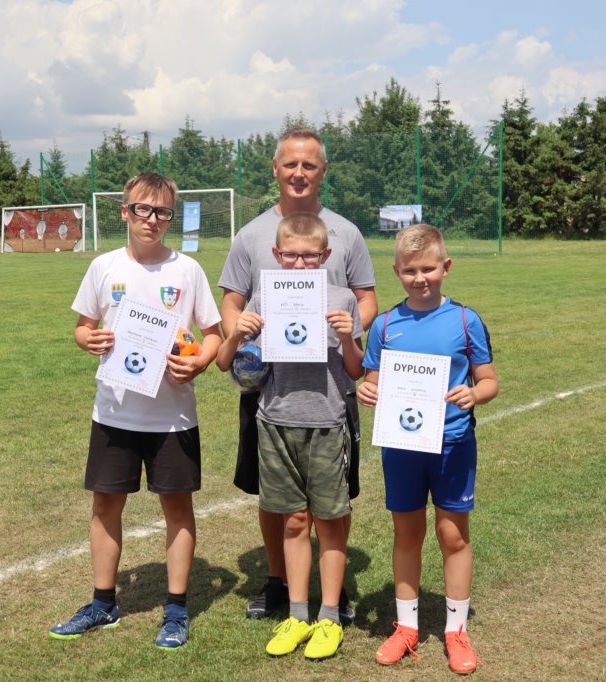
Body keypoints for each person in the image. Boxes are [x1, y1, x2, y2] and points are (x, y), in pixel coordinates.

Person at [50, 172, 222, 650]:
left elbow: (212, 333)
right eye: (142, 209)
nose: (152, 219)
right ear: (125, 212)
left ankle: (176, 610)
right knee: (105, 506)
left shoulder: (187, 270)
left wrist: (200, 362)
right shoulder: (104, 266)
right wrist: (89, 339)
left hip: (172, 417)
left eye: (162, 211)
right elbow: (82, 327)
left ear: (171, 217)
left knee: (177, 509)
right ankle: (103, 603)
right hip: (114, 413)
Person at [218, 125, 377, 622]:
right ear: (276, 168)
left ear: (323, 170)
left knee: (331, 498)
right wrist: (244, 342)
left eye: (309, 164)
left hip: (329, 389)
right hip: (272, 385)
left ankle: (332, 592)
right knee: (276, 495)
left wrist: (342, 331)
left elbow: (366, 299)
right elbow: (232, 301)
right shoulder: (251, 234)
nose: (300, 172)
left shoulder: (346, 233)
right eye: (291, 163)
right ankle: (279, 583)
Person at [357, 224, 499, 674]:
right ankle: (406, 627)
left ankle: (456, 631)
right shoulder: (385, 325)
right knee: (407, 534)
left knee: (452, 535)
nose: (420, 278)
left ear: (446, 266)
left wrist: (474, 394)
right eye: (410, 270)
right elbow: (373, 381)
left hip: (452, 443)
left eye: (429, 269)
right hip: (402, 447)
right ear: (396, 272)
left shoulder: (465, 320)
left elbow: (489, 381)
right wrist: (366, 390)